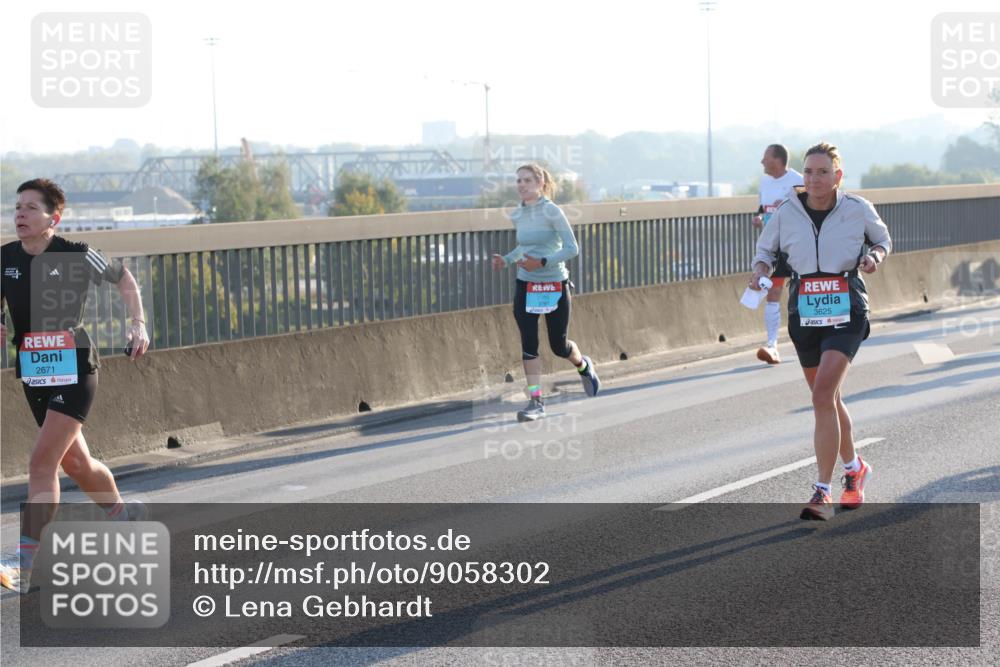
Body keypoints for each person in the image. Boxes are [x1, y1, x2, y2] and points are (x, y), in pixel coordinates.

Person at [0, 179, 151, 593]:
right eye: (17, 207)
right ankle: (124, 517)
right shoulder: (5, 258)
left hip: (75, 366)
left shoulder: (78, 255)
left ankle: (27, 562)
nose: (20, 215)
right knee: (76, 465)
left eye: (31, 208)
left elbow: (125, 280)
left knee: (41, 462)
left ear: (54, 218)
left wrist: (138, 324)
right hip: (33, 371)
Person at [749, 143, 890, 520]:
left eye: (823, 172)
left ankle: (822, 491)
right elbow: (765, 251)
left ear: (837, 176)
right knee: (826, 398)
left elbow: (882, 240)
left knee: (824, 392)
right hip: (805, 311)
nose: (814, 179)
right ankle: (855, 469)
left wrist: (873, 257)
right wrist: (761, 270)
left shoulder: (857, 209)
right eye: (809, 172)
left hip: (846, 307)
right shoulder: (785, 212)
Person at [491, 164, 600, 422]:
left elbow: (572, 248)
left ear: (540, 183)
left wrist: (541, 263)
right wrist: (506, 260)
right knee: (529, 345)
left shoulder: (552, 211)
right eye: (518, 181)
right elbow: (525, 246)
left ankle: (584, 366)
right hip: (526, 285)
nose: (521, 185)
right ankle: (536, 401)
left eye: (527, 180)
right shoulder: (518, 213)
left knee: (558, 346)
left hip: (553, 285)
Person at [751, 144, 803, 364]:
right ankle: (772, 346)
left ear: (778, 160)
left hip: (799, 246)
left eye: (766, 158)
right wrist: (759, 219)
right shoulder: (764, 182)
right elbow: (763, 209)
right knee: (772, 292)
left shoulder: (798, 180)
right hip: (774, 248)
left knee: (803, 294)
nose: (762, 162)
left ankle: (814, 340)